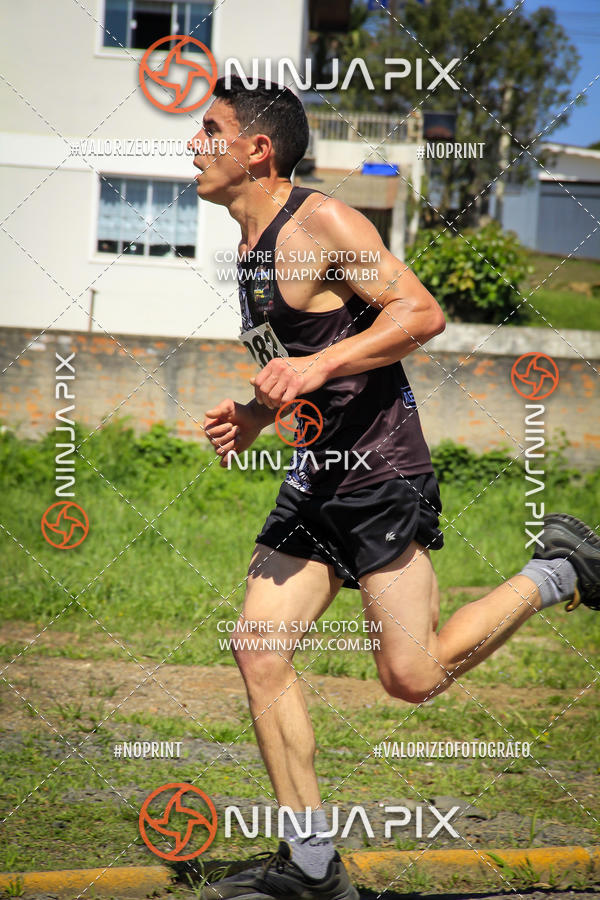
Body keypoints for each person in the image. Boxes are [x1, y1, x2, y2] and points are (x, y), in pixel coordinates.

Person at [190, 77, 600, 900]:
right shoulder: (250, 247)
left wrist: (314, 365)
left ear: (257, 149)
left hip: (378, 472)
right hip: (316, 474)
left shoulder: (322, 222)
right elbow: (307, 359)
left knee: (411, 678)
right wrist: (258, 413)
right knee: (259, 649)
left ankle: (562, 570)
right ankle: (310, 865)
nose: (194, 146)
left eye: (211, 131)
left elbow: (419, 313)